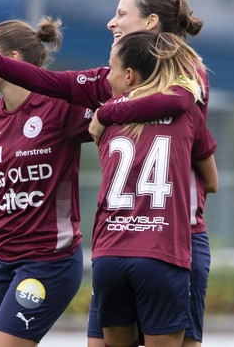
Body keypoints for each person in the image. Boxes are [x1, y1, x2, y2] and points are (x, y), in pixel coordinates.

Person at [0, 0, 212, 347]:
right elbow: (44, 80)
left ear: (151, 21)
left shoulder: (188, 75)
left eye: (122, 14)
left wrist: (108, 112)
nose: (112, 22)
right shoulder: (107, 82)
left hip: (176, 237)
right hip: (114, 244)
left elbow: (180, 104)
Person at [0, 17, 93, 347]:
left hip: (49, 260)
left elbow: (112, 117)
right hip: (1, 260)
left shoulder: (59, 107)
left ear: (11, 59)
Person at [90, 30, 217, 347]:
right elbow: (212, 182)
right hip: (161, 253)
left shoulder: (105, 117)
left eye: (112, 69)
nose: (107, 77)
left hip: (108, 254)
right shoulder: (186, 112)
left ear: (129, 75)